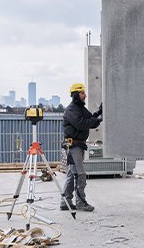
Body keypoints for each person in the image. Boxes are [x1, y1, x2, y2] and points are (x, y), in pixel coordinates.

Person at [61, 82, 102, 212]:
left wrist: (99, 113)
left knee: (72, 174)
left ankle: (65, 201)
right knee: (80, 174)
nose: (85, 95)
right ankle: (80, 202)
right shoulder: (72, 109)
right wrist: (98, 119)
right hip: (73, 146)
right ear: (76, 95)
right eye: (82, 93)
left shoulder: (80, 108)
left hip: (77, 145)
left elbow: (91, 120)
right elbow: (82, 124)